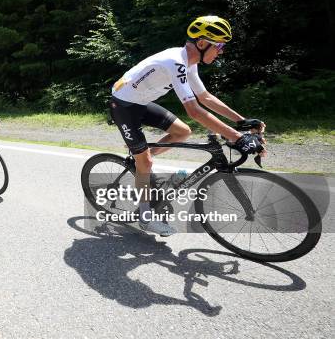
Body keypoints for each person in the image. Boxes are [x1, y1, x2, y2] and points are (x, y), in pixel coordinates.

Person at [110, 15, 265, 237]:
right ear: (202, 43)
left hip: (140, 102)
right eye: (219, 46)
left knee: (182, 132)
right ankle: (145, 216)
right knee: (145, 160)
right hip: (123, 104)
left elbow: (205, 97)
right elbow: (194, 110)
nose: (221, 51)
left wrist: (241, 121)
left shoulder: (188, 62)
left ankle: (142, 164)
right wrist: (237, 138)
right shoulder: (175, 61)